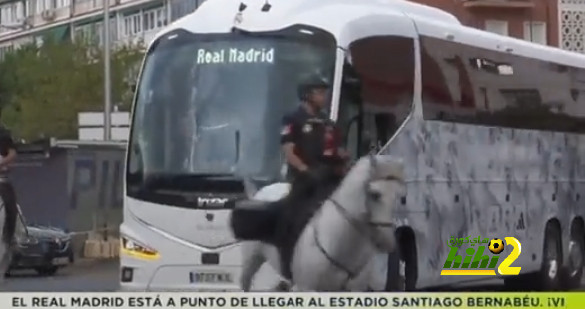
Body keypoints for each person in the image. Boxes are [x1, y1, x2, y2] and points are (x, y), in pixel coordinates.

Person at [274, 74, 350, 282]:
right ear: (307, 95)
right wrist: (306, 170)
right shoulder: (292, 119)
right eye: (319, 92)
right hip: (304, 180)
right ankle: (288, 271)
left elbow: (336, 147)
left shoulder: (327, 122)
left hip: (327, 179)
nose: (324, 96)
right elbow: (289, 152)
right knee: (291, 220)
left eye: (325, 92)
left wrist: (341, 157)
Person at [0, 123, 18, 281]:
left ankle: (10, 235)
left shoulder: (3, 133)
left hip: (0, 179)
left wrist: (2, 163)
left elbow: (12, 154)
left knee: (9, 204)